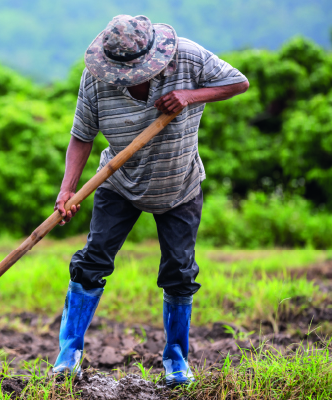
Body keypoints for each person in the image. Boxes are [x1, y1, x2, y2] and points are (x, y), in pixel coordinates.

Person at [52, 15, 249, 387]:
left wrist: (190, 96)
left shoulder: (188, 57)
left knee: (179, 272)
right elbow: (82, 136)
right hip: (118, 181)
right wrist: (68, 190)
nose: (128, 77)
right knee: (92, 261)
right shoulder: (96, 79)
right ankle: (68, 355)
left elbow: (238, 82)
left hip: (180, 184)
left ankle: (176, 360)